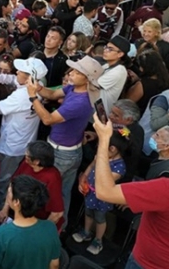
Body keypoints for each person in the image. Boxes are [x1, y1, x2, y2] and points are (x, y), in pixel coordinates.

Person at [27, 56, 102, 227]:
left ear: (88, 79)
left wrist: (33, 97)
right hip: (71, 150)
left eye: (77, 72)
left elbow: (47, 119)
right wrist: (38, 87)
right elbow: (53, 93)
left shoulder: (80, 101)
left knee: (46, 192)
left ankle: (41, 228)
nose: (71, 74)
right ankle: (61, 226)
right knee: (63, 193)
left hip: (62, 154)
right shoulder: (75, 89)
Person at [92, 113, 169, 269]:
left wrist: (104, 140)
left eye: (158, 135)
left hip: (148, 263)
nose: (153, 136)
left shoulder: (165, 185)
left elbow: (105, 191)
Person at [0, 57, 48, 208]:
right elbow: (13, 79)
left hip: (10, 146)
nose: (17, 71)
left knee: (3, 180)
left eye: (21, 71)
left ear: (29, 77)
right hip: (25, 142)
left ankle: (0, 211)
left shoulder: (21, 96)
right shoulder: (39, 86)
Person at [0, 175, 61, 269]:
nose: (8, 191)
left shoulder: (0, 235)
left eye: (10, 190)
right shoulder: (50, 228)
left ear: (16, 202)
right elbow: (54, 265)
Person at [74, 130, 129, 255]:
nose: (98, 148)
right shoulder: (101, 155)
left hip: (103, 197)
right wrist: (84, 179)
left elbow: (106, 180)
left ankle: (98, 240)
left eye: (101, 146)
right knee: (88, 212)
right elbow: (91, 166)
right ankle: (86, 232)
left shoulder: (119, 166)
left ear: (113, 149)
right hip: (90, 192)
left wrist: (101, 162)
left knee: (100, 218)